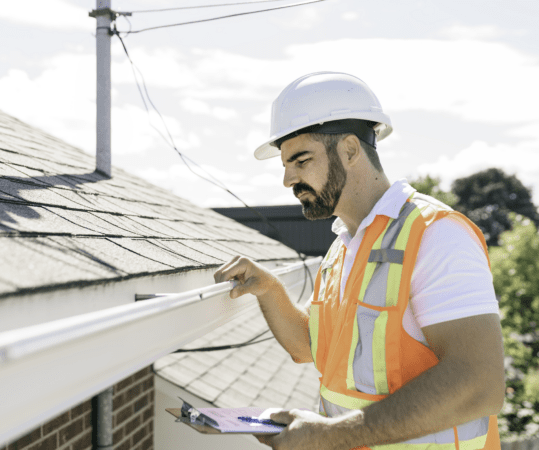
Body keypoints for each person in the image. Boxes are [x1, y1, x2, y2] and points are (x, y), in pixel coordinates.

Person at [213, 72, 505, 450]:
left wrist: (328, 435)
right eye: (285, 165)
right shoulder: (343, 248)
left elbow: (479, 384)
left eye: (301, 161)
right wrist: (269, 289)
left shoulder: (436, 236)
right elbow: (311, 347)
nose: (287, 179)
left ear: (350, 150)